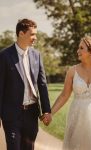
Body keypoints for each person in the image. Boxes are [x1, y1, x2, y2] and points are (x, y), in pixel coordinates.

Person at [0, 18, 52, 150]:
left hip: (32, 114)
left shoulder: (37, 55)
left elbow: (42, 84)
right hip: (11, 115)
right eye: (32, 34)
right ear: (21, 34)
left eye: (36, 34)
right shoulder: (4, 56)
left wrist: (46, 111)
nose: (35, 38)